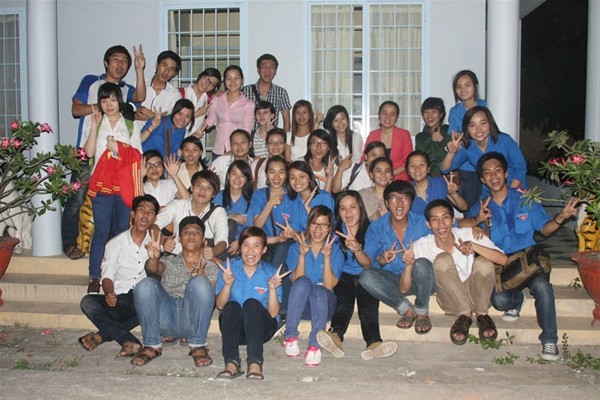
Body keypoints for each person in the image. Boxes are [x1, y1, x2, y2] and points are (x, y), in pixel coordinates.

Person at [463, 152, 578, 360]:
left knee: (542, 287)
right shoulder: (481, 207)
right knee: (499, 301)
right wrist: (475, 223)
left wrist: (560, 218)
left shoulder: (525, 199)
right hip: (503, 264)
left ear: (506, 173)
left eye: (498, 170)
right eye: (487, 173)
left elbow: (545, 229)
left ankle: (549, 340)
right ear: (482, 179)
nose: (493, 176)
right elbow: (458, 224)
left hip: (529, 259)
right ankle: (517, 301)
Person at [63, 44, 146, 261]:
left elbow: (140, 97)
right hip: (87, 151)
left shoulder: (125, 89)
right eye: (116, 59)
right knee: (77, 199)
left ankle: (107, 250)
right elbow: (76, 109)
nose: (120, 64)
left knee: (112, 206)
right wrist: (101, 106)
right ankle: (70, 243)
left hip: (117, 160)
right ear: (106, 63)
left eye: (125, 61)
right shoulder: (91, 81)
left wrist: (140, 69)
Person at [408, 199, 507, 345]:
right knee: (442, 259)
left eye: (445, 218)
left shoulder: (468, 234)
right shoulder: (422, 245)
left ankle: (481, 314)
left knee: (484, 263)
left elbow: (503, 260)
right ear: (428, 224)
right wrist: (407, 264)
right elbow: (404, 287)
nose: (441, 224)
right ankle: (466, 314)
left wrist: (473, 246)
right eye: (435, 219)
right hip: (451, 300)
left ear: (453, 220)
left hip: (477, 296)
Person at [317, 191, 398, 360]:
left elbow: (367, 264)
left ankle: (374, 342)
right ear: (338, 212)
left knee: (368, 302)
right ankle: (335, 335)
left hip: (367, 274)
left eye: (352, 207)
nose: (348, 212)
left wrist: (357, 249)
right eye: (343, 208)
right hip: (344, 275)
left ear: (360, 208)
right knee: (344, 301)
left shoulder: (372, 229)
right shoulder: (334, 233)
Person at [79, 195, 159, 358]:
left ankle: (103, 336)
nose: (145, 215)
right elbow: (107, 273)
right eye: (141, 210)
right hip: (120, 298)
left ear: (154, 219)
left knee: (152, 306)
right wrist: (109, 293)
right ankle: (128, 339)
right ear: (133, 214)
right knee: (88, 302)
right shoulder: (115, 243)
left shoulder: (157, 243)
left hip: (143, 299)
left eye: (150, 212)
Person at [131, 216, 219, 366]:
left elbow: (211, 297)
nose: (191, 235)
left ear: (204, 240)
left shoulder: (211, 266)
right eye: (186, 231)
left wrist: (202, 278)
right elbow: (154, 269)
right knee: (145, 285)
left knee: (200, 283)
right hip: (166, 318)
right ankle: (152, 345)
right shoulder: (169, 260)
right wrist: (154, 259)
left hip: (191, 321)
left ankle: (197, 345)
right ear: (179, 238)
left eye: (196, 232)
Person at [84, 82, 143, 294]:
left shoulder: (130, 126)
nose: (109, 104)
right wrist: (93, 126)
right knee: (101, 231)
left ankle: (117, 273)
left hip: (124, 185)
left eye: (112, 99)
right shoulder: (96, 123)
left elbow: (137, 156)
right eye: (104, 100)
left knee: (121, 231)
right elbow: (89, 153)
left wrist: (117, 148)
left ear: (119, 100)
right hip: (102, 184)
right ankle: (94, 275)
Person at [360, 180, 434, 335]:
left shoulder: (422, 223)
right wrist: (383, 258)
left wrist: (475, 224)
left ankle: (421, 311)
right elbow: (369, 262)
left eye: (405, 198)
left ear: (411, 202)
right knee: (366, 277)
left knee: (422, 263)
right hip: (394, 282)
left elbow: (448, 226)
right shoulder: (377, 227)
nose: (400, 203)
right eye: (394, 198)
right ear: (387, 203)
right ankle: (407, 309)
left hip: (422, 281)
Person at [215, 227, 287, 380]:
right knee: (231, 306)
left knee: (251, 304)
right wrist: (227, 284)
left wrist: (272, 289)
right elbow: (220, 306)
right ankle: (231, 362)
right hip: (236, 331)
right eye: (246, 245)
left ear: (264, 249)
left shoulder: (271, 272)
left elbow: (273, 314)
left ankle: (255, 362)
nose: (250, 251)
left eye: (256, 246)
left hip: (261, 330)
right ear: (239, 247)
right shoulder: (229, 269)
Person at [283, 206, 344, 367]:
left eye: (323, 225)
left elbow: (329, 285)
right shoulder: (295, 248)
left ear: (330, 228)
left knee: (319, 289)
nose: (318, 229)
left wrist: (327, 257)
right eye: (314, 224)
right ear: (308, 225)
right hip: (302, 305)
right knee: (303, 281)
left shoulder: (336, 251)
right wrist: (302, 256)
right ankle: (290, 337)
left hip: (325, 305)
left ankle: (315, 346)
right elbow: (296, 281)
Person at [440, 106, 527, 204]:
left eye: (483, 123)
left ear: (490, 123)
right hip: (490, 193)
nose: (478, 129)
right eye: (472, 125)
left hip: (515, 189)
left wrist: (508, 195)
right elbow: (444, 169)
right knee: (476, 211)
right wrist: (451, 153)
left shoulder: (504, 140)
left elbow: (520, 168)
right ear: (467, 128)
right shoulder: (469, 148)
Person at [156, 170, 228, 259]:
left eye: (208, 188)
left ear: (214, 194)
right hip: (174, 257)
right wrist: (163, 240)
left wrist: (213, 252)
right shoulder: (177, 205)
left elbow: (222, 241)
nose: (202, 191)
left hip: (200, 260)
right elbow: (154, 225)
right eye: (199, 186)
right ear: (192, 188)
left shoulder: (218, 212)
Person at [447, 70, 487, 208]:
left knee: (490, 205)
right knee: (470, 207)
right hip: (467, 167)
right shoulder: (455, 111)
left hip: (488, 162)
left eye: (467, 85)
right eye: (458, 86)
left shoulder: (487, 105)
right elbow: (454, 136)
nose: (463, 90)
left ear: (475, 86)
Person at [201, 65, 255, 159]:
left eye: (236, 78)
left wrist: (233, 150)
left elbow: (247, 131)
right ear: (224, 81)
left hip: (238, 151)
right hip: (218, 150)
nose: (232, 82)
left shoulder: (248, 104)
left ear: (242, 80)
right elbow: (209, 121)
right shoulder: (217, 100)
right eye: (229, 78)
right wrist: (197, 130)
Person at [406, 150, 467, 216]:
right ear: (408, 171)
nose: (417, 169)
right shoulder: (406, 191)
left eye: (422, 165)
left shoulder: (440, 183)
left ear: (428, 169)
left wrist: (453, 194)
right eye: (412, 166)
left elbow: (463, 207)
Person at [364, 101, 413, 181]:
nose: (388, 117)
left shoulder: (404, 134)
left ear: (397, 118)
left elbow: (408, 161)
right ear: (379, 115)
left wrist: (389, 174)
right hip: (376, 180)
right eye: (384, 113)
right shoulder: (373, 135)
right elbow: (365, 158)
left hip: (400, 180)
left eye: (392, 114)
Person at [242, 53, 292, 132]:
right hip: (250, 136)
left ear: (275, 71)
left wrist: (284, 138)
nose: (268, 70)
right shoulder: (245, 91)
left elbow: (287, 121)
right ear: (258, 70)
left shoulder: (281, 92)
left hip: (271, 137)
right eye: (264, 66)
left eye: (271, 67)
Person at [134, 50, 182, 131]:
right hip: (134, 134)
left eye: (171, 69)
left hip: (157, 136)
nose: (166, 72)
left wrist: (143, 110)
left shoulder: (175, 95)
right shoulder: (138, 83)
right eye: (164, 65)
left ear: (175, 74)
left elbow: (167, 120)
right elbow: (129, 113)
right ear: (157, 65)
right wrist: (156, 117)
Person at [213, 160, 254, 255]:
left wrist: (241, 241)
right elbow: (211, 221)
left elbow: (255, 227)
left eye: (242, 176)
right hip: (220, 242)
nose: (237, 179)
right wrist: (228, 216)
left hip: (244, 244)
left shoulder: (252, 199)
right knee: (230, 223)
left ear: (247, 179)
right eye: (234, 174)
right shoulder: (219, 196)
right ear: (228, 176)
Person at [415, 97, 450, 176]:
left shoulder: (449, 131)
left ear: (441, 114)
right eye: (426, 112)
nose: (429, 116)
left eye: (434, 111)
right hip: (427, 177)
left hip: (447, 176)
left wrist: (442, 141)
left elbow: (457, 156)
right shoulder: (420, 137)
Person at [183, 67, 221, 138]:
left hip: (198, 142)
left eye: (212, 84)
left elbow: (217, 119)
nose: (207, 84)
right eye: (207, 79)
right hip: (179, 141)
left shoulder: (209, 100)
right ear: (200, 76)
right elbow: (175, 120)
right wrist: (197, 114)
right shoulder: (181, 94)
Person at [359, 156, 393, 221]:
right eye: (379, 171)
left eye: (387, 171)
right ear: (371, 174)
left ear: (391, 175)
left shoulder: (397, 196)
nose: (383, 174)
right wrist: (376, 216)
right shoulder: (362, 195)